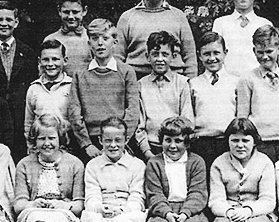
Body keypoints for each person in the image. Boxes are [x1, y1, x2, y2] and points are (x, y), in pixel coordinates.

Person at [67, 19, 140, 162]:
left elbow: (133, 110)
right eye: (95, 39)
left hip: (119, 140)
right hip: (91, 142)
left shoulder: (126, 72)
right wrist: (86, 144)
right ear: (89, 43)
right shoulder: (80, 74)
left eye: (105, 38)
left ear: (115, 42)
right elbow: (74, 111)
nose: (100, 43)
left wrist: (121, 140)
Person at [0, 0, 38, 162]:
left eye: (9, 20)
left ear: (16, 22)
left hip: (20, 117)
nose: (4, 24)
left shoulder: (28, 53)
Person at [116, 0, 197, 79]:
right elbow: (117, 56)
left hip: (174, 80)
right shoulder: (127, 17)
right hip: (136, 79)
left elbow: (189, 56)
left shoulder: (178, 16)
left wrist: (191, 84)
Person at [236, 25, 279, 163]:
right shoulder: (247, 79)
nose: (264, 56)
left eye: (269, 51)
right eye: (260, 52)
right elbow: (243, 118)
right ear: (254, 51)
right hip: (260, 143)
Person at [135, 31, 194, 159]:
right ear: (147, 56)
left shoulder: (182, 83)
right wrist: (147, 152)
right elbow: (139, 126)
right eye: (155, 54)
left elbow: (187, 120)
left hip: (177, 148)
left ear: (173, 57)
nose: (160, 59)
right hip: (151, 148)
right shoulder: (140, 85)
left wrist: (178, 148)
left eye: (165, 54)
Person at [189, 32, 239, 171]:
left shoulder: (236, 82)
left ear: (225, 53)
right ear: (199, 55)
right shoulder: (193, 84)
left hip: (227, 142)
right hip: (201, 144)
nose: (212, 58)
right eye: (206, 54)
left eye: (216, 53)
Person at [212, 0, 273, 78]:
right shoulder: (221, 24)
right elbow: (215, 56)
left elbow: (269, 58)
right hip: (228, 85)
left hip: (258, 83)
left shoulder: (264, 24)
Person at [24, 39, 74, 153]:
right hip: (41, 148)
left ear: (64, 60)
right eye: (46, 60)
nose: (50, 64)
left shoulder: (72, 86)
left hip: (67, 148)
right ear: (39, 61)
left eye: (55, 59)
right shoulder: (34, 88)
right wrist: (31, 147)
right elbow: (28, 123)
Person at [43, 0, 92, 76]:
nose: (70, 16)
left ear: (84, 11)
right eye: (66, 12)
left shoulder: (91, 38)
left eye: (75, 12)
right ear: (59, 11)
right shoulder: (51, 39)